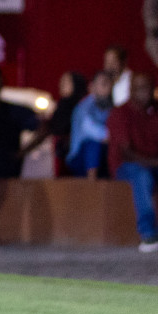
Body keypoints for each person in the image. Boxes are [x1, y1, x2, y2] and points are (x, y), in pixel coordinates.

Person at [106, 72, 158, 252]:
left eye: (149, 88)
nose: (146, 92)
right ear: (131, 90)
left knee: (146, 173)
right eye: (141, 88)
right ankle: (148, 234)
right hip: (127, 165)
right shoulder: (120, 113)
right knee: (142, 176)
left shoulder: (154, 112)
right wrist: (153, 163)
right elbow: (126, 152)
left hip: (152, 163)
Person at [0, 66, 38, 184]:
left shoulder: (13, 111)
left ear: (1, 84)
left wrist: (23, 152)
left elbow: (44, 127)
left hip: (7, 173)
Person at [65, 71, 112, 177]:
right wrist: (117, 137)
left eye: (110, 84)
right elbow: (95, 132)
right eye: (104, 84)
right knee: (92, 144)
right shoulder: (84, 107)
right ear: (92, 87)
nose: (108, 89)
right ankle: (92, 185)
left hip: (104, 155)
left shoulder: (111, 108)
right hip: (79, 159)